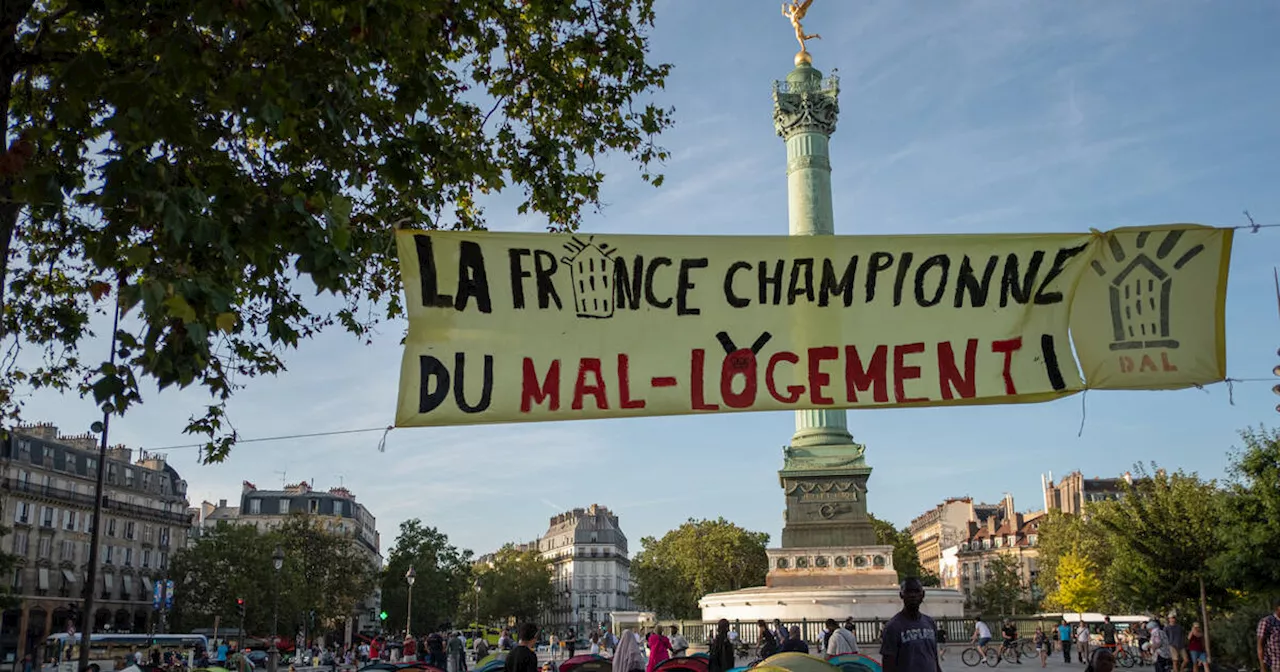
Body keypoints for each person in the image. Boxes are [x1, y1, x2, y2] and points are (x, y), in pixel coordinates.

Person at [879, 577, 941, 672]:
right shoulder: (893, 627)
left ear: (923, 594)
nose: (913, 595)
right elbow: (888, 664)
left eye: (916, 591)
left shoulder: (930, 623)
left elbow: (933, 657)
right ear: (901, 595)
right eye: (908, 591)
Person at [1258, 597, 1280, 672]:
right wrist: (1263, 667)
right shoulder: (1267, 622)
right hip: (1275, 666)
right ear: (1278, 608)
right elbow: (1260, 645)